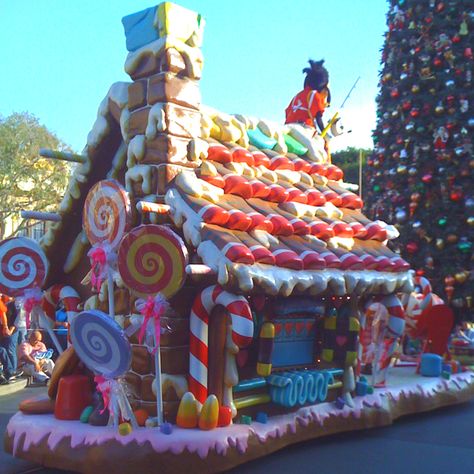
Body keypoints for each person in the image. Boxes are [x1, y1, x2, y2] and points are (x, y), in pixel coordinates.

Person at [285, 58, 331, 134]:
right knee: (323, 144)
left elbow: (287, 113)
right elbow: (318, 117)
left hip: (288, 127)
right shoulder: (314, 95)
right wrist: (325, 134)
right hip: (303, 128)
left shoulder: (297, 96)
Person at [0, 295, 23, 384]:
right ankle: (9, 372)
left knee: (9, 350)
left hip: (12, 330)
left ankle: (11, 372)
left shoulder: (14, 305)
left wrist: (8, 329)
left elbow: (16, 319)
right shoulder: (2, 302)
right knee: (2, 350)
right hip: (2, 329)